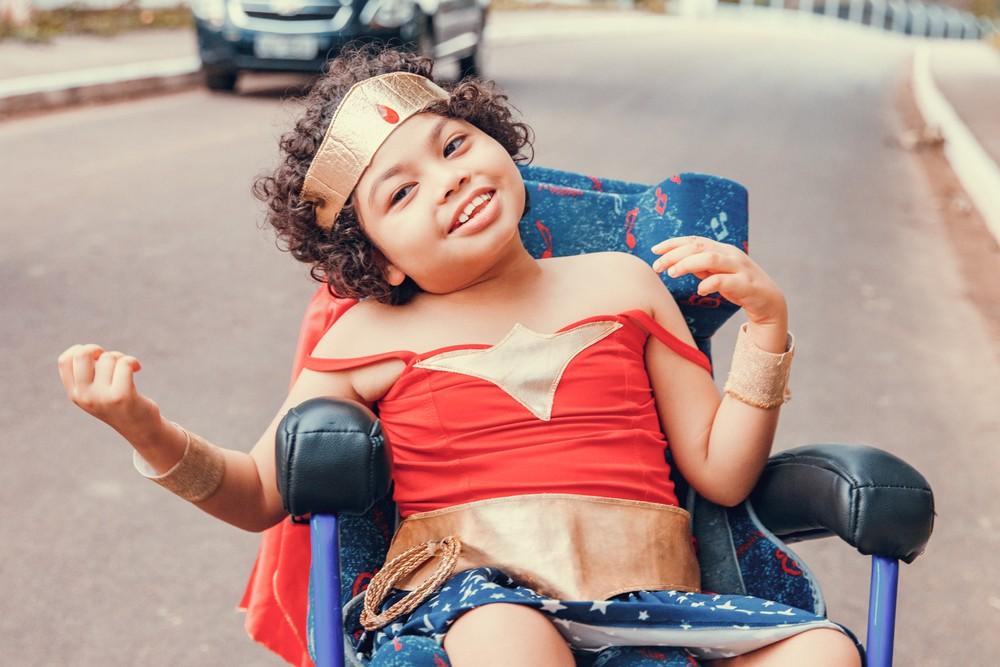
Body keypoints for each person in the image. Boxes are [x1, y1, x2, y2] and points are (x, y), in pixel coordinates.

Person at [57, 46, 861, 667]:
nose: (447, 180)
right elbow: (259, 491)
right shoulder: (367, 335)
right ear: (379, 261)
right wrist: (145, 429)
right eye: (400, 192)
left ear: (496, 141)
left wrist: (767, 326)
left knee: (824, 650)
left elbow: (721, 472)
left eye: (453, 144)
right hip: (469, 603)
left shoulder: (625, 281)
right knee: (513, 635)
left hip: (651, 599)